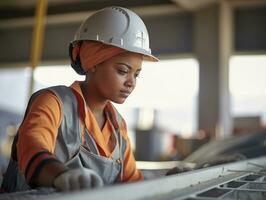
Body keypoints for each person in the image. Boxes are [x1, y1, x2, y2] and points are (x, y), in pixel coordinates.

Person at [1, 6, 158, 192]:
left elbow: (133, 183)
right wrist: (60, 175)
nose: (131, 82)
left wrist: (171, 181)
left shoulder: (118, 127)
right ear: (93, 61)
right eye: (123, 71)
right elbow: (32, 148)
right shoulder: (53, 102)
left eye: (137, 74)